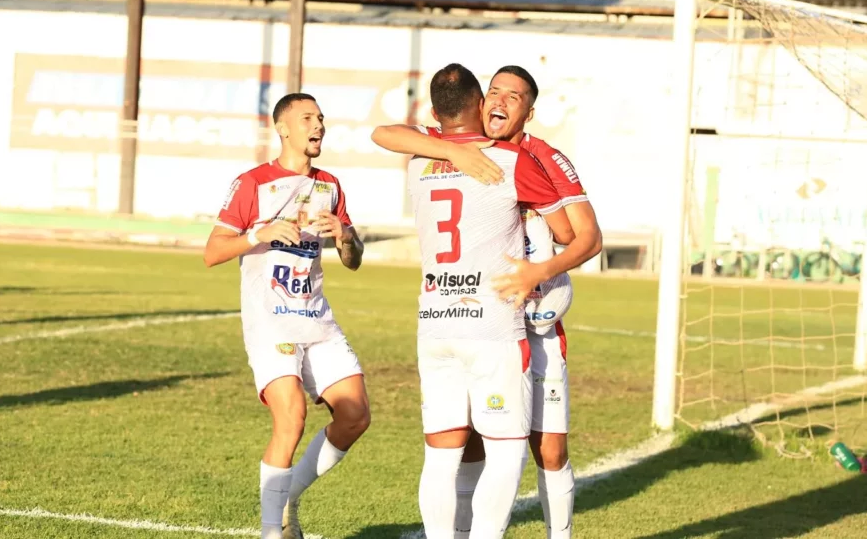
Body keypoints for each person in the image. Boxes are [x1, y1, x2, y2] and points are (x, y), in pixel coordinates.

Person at [373, 65, 602, 538]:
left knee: (459, 454)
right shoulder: (506, 162)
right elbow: (567, 232)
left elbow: (383, 133)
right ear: (479, 104)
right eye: (493, 91)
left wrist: (539, 267)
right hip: (494, 327)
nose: (500, 101)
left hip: (460, 323)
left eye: (512, 96)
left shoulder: (422, 157)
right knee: (497, 449)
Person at [204, 93, 371, 539]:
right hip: (271, 322)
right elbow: (212, 251)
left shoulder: (330, 185)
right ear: (282, 129)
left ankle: (289, 497)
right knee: (292, 416)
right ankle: (270, 533)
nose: (318, 125)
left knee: (355, 416)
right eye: (307, 118)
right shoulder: (252, 183)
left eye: (320, 118)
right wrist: (259, 234)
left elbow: (353, 259)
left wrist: (345, 237)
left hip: (316, 320)